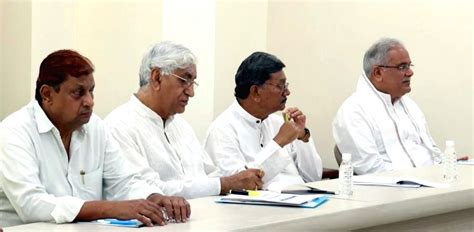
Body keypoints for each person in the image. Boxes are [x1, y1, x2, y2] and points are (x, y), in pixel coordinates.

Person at [0, 50, 190, 228]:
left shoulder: (96, 127)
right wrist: (109, 208)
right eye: (78, 93)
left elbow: (123, 182)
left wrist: (153, 198)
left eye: (91, 91)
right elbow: (31, 204)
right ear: (47, 94)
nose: (89, 101)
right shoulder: (14, 131)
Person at [105, 41, 263, 199]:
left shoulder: (182, 126)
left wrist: (234, 181)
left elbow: (211, 176)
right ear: (157, 77)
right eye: (184, 80)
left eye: (193, 82)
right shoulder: (119, 127)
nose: (191, 92)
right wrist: (224, 184)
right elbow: (147, 191)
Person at [203, 52, 323, 191]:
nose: (287, 92)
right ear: (255, 91)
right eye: (280, 86)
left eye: (286, 85)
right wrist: (278, 142)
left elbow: (313, 178)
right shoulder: (222, 130)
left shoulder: (279, 123)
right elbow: (240, 186)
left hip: (302, 202)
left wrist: (303, 137)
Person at [332, 38, 444, 174]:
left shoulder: (409, 105)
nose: (410, 73)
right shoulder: (353, 111)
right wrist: (422, 180)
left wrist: (447, 166)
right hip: (396, 190)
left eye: (409, 66)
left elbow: (431, 149)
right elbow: (371, 170)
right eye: (402, 67)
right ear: (378, 73)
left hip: (433, 183)